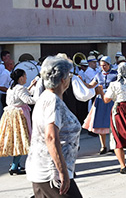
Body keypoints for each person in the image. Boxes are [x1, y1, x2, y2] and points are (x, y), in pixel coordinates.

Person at [26, 56, 83, 197]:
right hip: (52, 173)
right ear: (63, 79)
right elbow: (51, 137)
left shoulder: (45, 97)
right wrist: (62, 171)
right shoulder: (53, 102)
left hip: (44, 169)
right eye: (69, 75)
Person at [0, 69, 37, 175]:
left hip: (10, 114)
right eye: (25, 76)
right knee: (21, 140)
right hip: (18, 115)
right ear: (21, 78)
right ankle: (14, 166)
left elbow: (22, 94)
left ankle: (15, 164)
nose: (26, 77)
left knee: (16, 140)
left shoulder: (12, 88)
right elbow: (27, 100)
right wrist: (41, 98)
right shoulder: (20, 88)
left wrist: (31, 86)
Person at [82, 56, 118, 154]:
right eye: (101, 65)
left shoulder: (115, 74)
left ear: (109, 64)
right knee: (100, 123)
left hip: (111, 99)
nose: (103, 67)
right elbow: (90, 85)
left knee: (112, 123)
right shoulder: (98, 75)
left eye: (105, 65)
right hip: (100, 100)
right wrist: (81, 81)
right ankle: (103, 146)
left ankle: (113, 145)